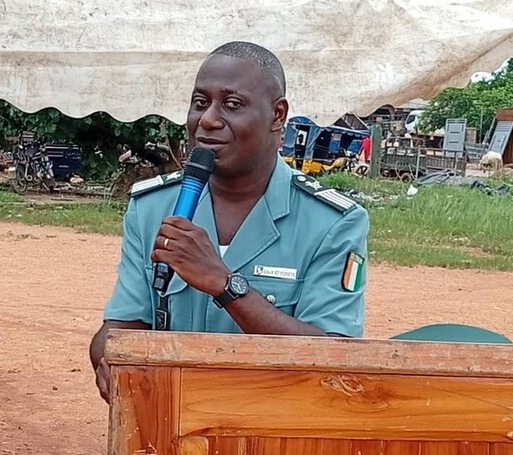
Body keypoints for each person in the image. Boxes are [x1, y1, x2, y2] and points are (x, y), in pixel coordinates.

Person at [89, 41, 369, 402]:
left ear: (277, 115)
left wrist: (226, 285)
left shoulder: (332, 222)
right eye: (200, 102)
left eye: (232, 104)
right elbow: (123, 328)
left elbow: (334, 360)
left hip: (276, 427)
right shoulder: (153, 207)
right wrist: (108, 353)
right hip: (173, 422)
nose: (207, 119)